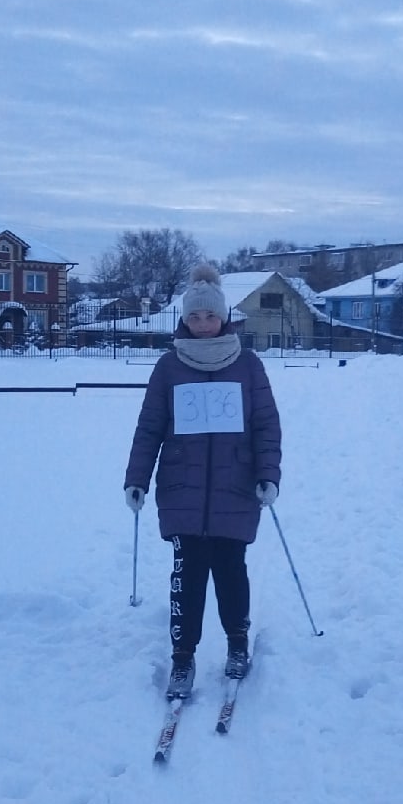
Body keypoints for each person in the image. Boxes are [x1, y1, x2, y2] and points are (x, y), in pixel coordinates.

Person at [124, 263, 282, 699]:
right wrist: (137, 478)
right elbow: (149, 427)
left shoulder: (248, 365)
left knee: (231, 570)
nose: (203, 324)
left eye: (210, 315)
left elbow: (266, 425)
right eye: (194, 316)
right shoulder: (169, 366)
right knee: (188, 575)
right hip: (182, 489)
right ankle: (182, 657)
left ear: (223, 316)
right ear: (185, 319)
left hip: (236, 487)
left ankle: (237, 643)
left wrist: (267, 474)